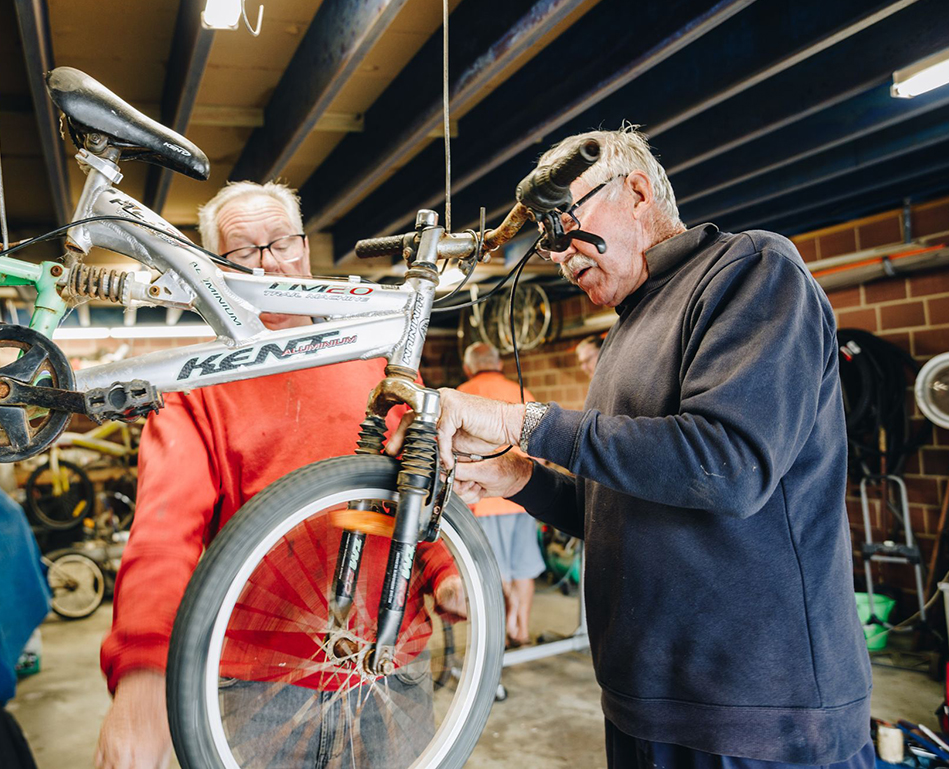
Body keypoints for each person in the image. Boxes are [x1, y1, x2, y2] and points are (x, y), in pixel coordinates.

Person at [395, 127, 874, 768]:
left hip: (759, 716)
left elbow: (726, 465)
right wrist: (519, 479)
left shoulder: (752, 272)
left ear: (638, 191)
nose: (562, 255)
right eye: (548, 241)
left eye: (568, 222)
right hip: (642, 704)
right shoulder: (627, 331)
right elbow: (620, 503)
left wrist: (525, 421)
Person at [95, 181, 465, 769]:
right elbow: (164, 535)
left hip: (391, 669)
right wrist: (145, 670)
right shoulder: (196, 387)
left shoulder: (380, 365)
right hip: (258, 687)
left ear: (305, 251)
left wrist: (448, 572)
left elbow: (421, 485)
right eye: (243, 252)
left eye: (281, 243)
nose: (268, 263)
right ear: (215, 267)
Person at [456, 342, 543, 647]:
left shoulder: (462, 395)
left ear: (469, 367)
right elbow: (541, 453)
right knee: (523, 568)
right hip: (524, 499)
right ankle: (520, 630)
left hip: (484, 501)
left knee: (496, 571)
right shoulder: (522, 393)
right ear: (500, 364)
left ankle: (501, 638)